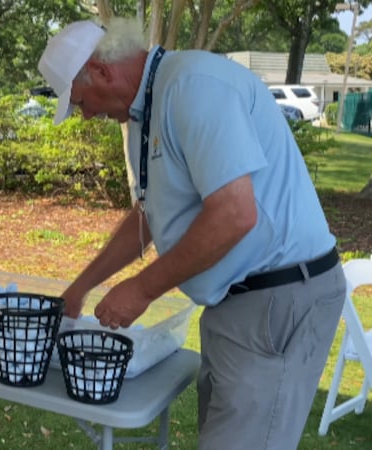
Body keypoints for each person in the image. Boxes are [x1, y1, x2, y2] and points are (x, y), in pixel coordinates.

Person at [38, 18, 346, 449]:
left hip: (278, 299)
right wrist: (81, 287)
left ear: (102, 71)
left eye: (81, 102)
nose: (87, 114)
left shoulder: (194, 85)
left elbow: (234, 215)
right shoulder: (144, 110)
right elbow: (148, 214)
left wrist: (142, 289)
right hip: (235, 303)